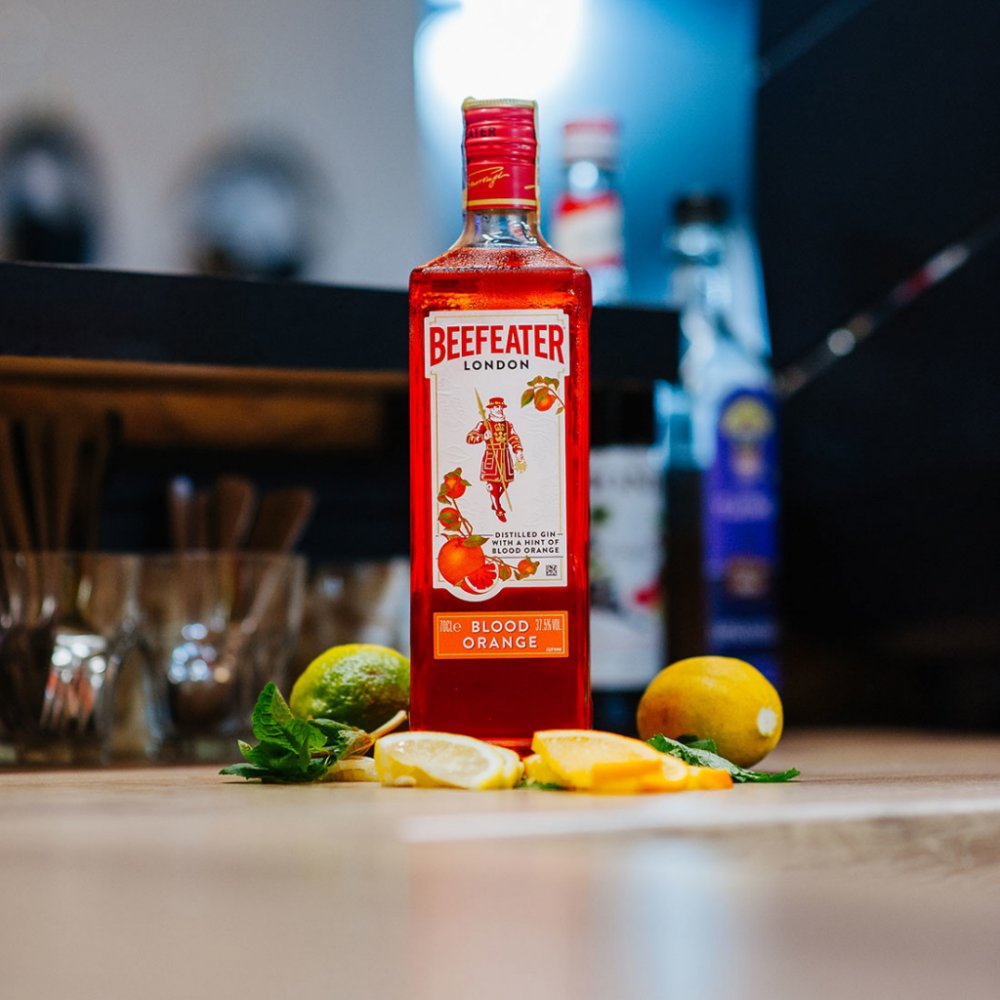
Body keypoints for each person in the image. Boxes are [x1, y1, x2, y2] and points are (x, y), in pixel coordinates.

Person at [466, 396, 525, 522]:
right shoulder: (484, 424)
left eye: (501, 407)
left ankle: (495, 500)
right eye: (496, 407)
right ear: (491, 409)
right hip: (491, 457)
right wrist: (483, 436)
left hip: (505, 457)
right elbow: (470, 437)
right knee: (493, 485)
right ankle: (498, 509)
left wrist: (518, 451)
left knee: (505, 484)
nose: (499, 409)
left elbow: (513, 438)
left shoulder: (508, 424)